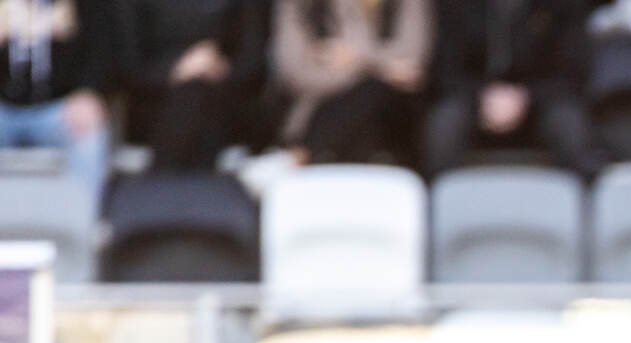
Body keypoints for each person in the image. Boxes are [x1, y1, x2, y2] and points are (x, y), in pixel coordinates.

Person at [423, 0, 599, 178]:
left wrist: (525, 97)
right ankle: (438, 200)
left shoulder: (562, 6)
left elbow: (573, 72)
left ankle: (583, 200)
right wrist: (481, 96)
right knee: (444, 125)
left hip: (543, 99)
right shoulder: (457, 5)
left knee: (569, 125)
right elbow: (445, 70)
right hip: (472, 97)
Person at [272, 0, 433, 166]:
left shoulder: (406, 4)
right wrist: (382, 69)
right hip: (318, 108)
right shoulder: (299, 6)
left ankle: (303, 154)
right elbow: (294, 74)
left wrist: (356, 61)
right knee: (368, 92)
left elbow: (412, 63)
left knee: (373, 92)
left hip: (389, 112)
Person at [120, 0, 271, 171]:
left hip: (227, 99)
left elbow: (255, 61)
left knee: (198, 94)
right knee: (191, 96)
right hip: (156, 106)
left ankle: (160, 183)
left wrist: (215, 66)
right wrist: (179, 69)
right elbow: (127, 67)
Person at [0, 0, 116, 200]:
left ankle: (82, 220)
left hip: (58, 107)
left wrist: (87, 90)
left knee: (88, 131)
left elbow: (104, 47)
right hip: (4, 110)